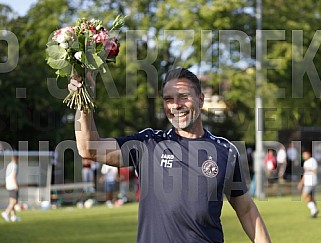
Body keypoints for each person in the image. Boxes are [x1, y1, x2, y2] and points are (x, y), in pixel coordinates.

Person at [69, 68, 271, 242]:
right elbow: (89, 148)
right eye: (168, 99)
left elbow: (246, 210)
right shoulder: (148, 144)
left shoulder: (225, 151)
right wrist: (83, 100)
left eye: (183, 97)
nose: (175, 105)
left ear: (200, 100)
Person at [297, 150, 319, 218]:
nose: (304, 156)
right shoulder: (305, 162)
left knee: (304, 196)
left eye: (305, 154)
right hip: (307, 181)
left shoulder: (312, 160)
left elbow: (315, 171)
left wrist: (309, 169)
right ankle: (313, 212)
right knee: (311, 197)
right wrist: (301, 183)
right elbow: (305, 174)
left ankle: (314, 210)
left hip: (311, 181)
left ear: (308, 154)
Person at [1, 153, 21, 222]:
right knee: (14, 201)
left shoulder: (9, 165)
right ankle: (6, 213)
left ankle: (13, 216)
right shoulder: (14, 165)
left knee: (11, 201)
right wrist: (16, 185)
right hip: (13, 185)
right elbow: (13, 176)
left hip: (8, 185)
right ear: (17, 159)